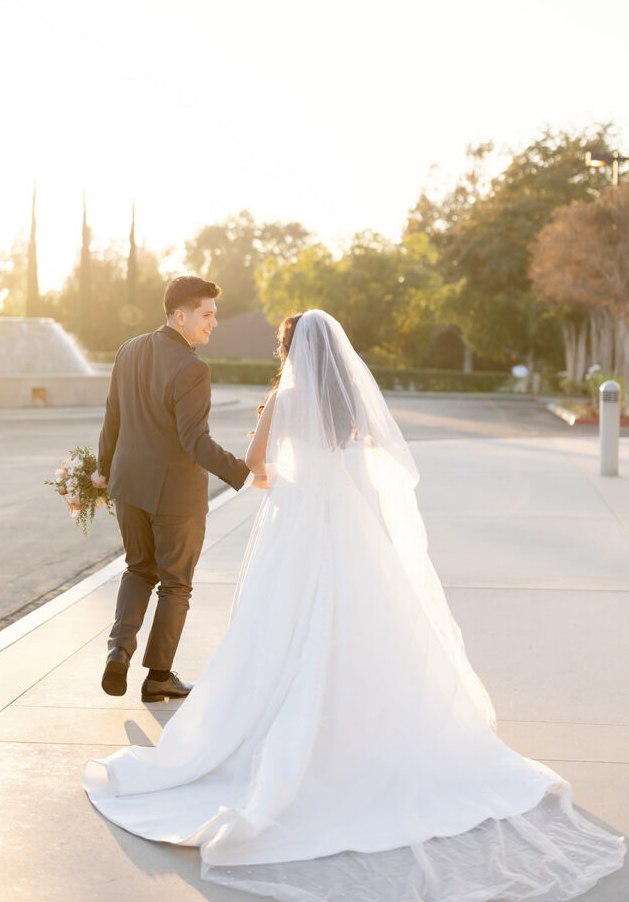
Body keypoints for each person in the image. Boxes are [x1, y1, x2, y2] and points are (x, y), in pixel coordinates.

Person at [84, 309, 625, 901]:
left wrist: (271, 460)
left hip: (293, 529)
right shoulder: (347, 408)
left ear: (291, 350)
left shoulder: (281, 403)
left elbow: (258, 471)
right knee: (359, 625)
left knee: (282, 631)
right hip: (347, 526)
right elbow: (368, 455)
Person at [95, 275, 262, 704]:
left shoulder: (128, 350)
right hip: (176, 497)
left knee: (137, 569)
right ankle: (159, 678)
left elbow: (112, 418)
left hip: (128, 487)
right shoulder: (192, 367)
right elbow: (196, 443)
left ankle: (119, 651)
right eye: (207, 315)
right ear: (180, 315)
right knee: (175, 586)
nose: (214, 323)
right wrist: (245, 473)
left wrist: (103, 471)